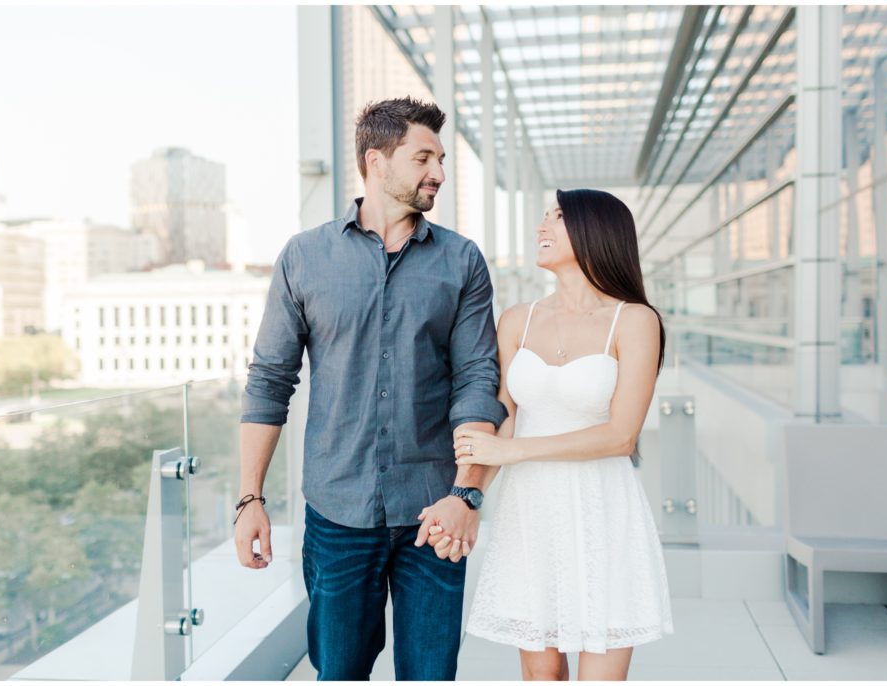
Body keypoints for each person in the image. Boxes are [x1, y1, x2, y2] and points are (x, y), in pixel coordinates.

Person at [233, 96, 506, 681]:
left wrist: (465, 495)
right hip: (338, 512)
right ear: (376, 162)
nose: (437, 173)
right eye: (423, 157)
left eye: (439, 159)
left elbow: (478, 380)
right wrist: (249, 498)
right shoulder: (305, 257)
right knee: (339, 671)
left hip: (434, 510)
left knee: (430, 674)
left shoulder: (462, 261)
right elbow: (269, 381)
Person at [452, 189, 674, 681]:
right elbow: (502, 419)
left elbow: (621, 436)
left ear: (596, 232)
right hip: (530, 512)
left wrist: (512, 450)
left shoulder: (635, 321)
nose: (541, 226)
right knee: (540, 676)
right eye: (544, 216)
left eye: (557, 217)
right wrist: (467, 495)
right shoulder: (517, 320)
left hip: (602, 509)